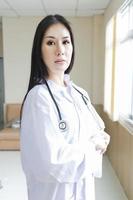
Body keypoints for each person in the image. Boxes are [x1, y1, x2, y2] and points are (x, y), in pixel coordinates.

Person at [20, 14, 110, 200]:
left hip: (84, 191)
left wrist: (98, 140)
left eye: (66, 42)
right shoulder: (39, 98)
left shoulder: (80, 93)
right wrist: (93, 148)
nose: (60, 50)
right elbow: (51, 161)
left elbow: (97, 131)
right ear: (39, 50)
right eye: (51, 43)